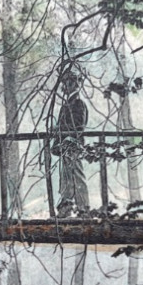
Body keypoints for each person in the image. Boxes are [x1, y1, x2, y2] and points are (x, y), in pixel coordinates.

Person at [52, 69, 89, 216]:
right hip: (66, 146)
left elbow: (78, 126)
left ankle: (84, 209)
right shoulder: (69, 103)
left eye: (66, 83)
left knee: (77, 177)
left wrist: (58, 128)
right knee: (67, 178)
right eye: (64, 83)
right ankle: (66, 209)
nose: (63, 87)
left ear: (74, 84)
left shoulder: (78, 103)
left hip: (73, 145)